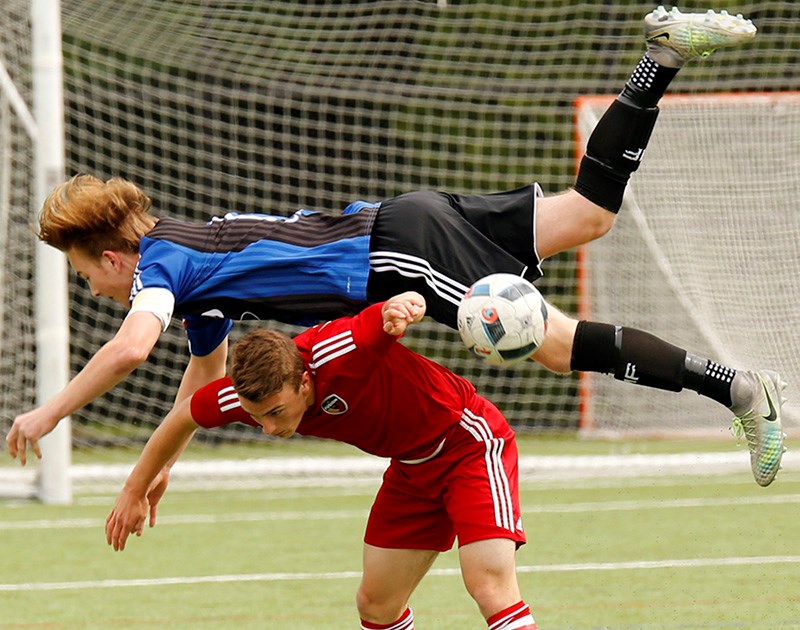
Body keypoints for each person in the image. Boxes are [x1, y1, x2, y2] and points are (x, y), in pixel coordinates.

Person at [7, 7, 785, 486]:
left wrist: (49, 413)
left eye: (82, 274)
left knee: (551, 346)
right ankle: (665, 56)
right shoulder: (196, 281)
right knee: (589, 216)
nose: (89, 288)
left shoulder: (161, 265)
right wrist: (154, 474)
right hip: (400, 222)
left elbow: (129, 352)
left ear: (112, 257)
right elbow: (198, 391)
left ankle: (737, 390)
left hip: (391, 255)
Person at [106, 292, 538, 629]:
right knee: (377, 604)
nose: (270, 429)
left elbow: (386, 314)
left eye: (276, 413)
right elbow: (182, 416)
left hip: (468, 443)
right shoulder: (249, 393)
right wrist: (140, 485)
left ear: (305, 380)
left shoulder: (339, 350)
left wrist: (404, 306)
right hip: (411, 468)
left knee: (487, 585)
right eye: (258, 419)